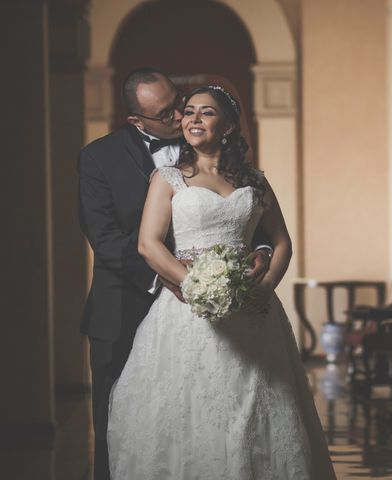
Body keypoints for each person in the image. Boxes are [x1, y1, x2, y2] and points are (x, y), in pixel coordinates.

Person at [107, 85, 336, 479]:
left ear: (227, 125)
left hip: (253, 311)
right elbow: (149, 245)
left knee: (255, 402)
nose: (194, 119)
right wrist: (195, 285)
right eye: (189, 111)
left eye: (207, 113)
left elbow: (281, 242)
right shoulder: (168, 178)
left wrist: (264, 289)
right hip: (186, 311)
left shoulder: (255, 181)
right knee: (192, 405)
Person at [77, 69, 271, 480]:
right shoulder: (98, 157)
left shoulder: (208, 139)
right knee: (120, 421)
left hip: (213, 310)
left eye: (179, 102)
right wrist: (170, 277)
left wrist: (261, 250)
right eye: (166, 114)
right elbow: (105, 238)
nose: (181, 115)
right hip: (125, 304)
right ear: (137, 120)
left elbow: (252, 213)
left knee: (210, 413)